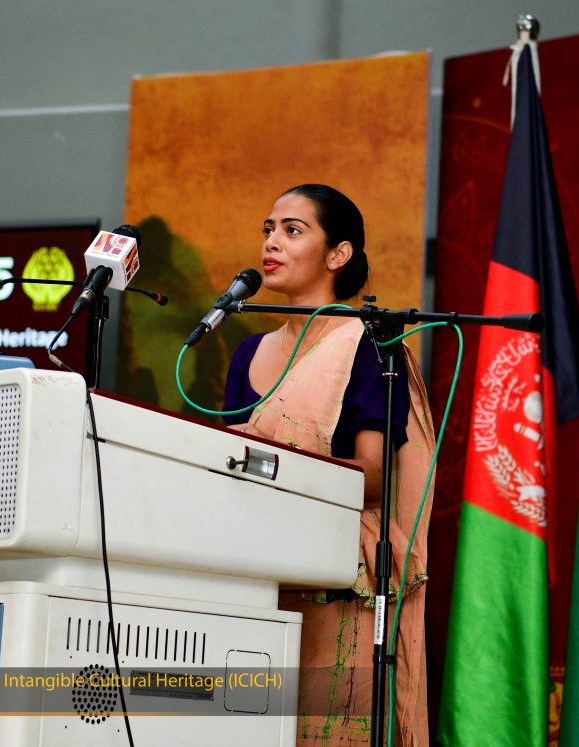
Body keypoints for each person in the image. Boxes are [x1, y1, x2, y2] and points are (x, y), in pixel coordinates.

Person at [223, 184, 436, 746]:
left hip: (336, 585)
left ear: (338, 254)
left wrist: (281, 469)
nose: (272, 242)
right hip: (253, 581)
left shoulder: (369, 344)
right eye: (269, 229)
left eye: (293, 230)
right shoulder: (246, 354)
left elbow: (374, 478)